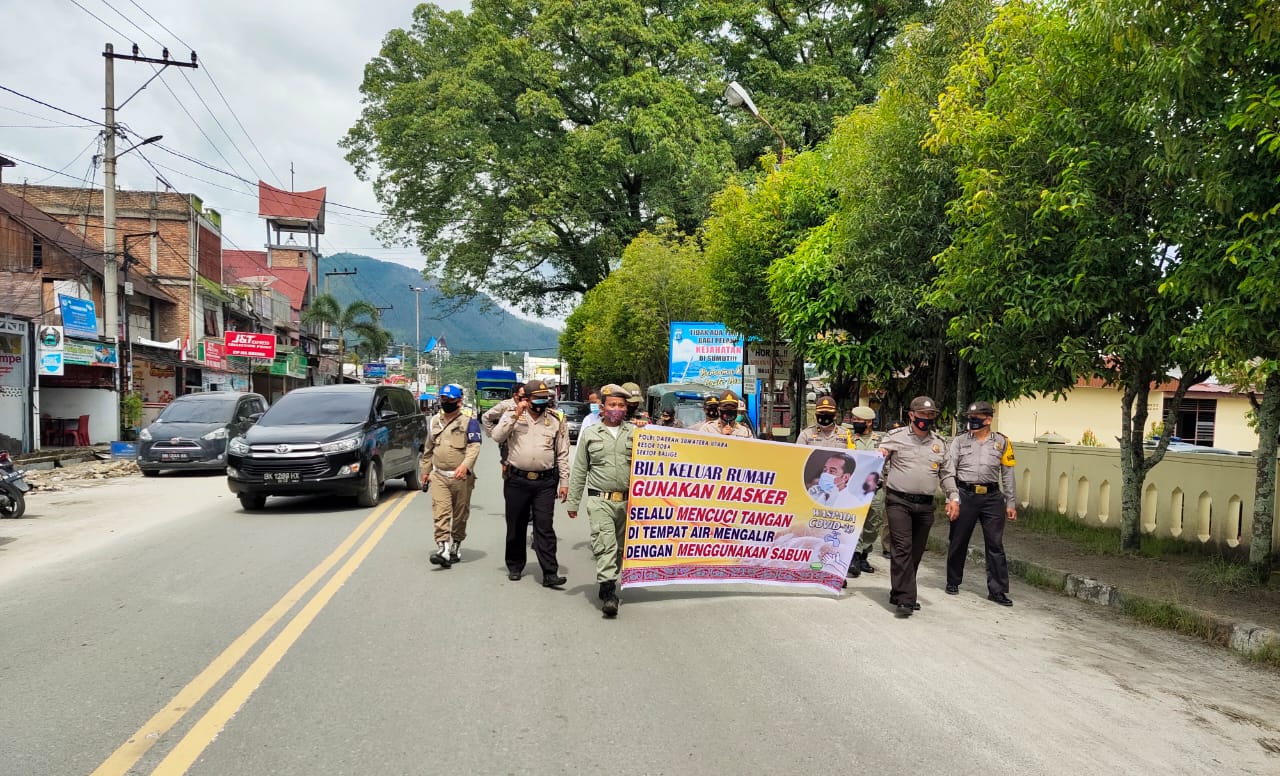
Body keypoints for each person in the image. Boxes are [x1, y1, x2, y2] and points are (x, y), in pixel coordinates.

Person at [878, 395, 956, 617]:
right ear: (911, 415)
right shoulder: (895, 437)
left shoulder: (939, 443)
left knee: (915, 551)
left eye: (931, 414)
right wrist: (878, 465)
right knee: (902, 547)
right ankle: (906, 599)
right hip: (898, 501)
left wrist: (953, 497)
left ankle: (898, 591)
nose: (927, 418)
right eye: (922, 414)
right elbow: (877, 461)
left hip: (925, 505)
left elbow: (947, 474)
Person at [491, 379, 571, 587]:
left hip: (545, 482)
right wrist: (515, 415)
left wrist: (564, 481)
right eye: (537, 398)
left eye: (545, 398)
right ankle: (515, 566)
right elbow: (497, 436)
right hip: (517, 480)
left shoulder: (555, 419)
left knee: (545, 526)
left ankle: (550, 572)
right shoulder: (512, 415)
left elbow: (562, 453)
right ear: (526, 399)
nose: (542, 402)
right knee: (516, 525)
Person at [566, 384, 635, 618]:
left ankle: (609, 580)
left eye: (621, 405)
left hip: (627, 502)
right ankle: (608, 591)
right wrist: (573, 502)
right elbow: (580, 470)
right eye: (612, 405)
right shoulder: (590, 434)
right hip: (600, 500)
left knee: (620, 548)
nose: (617, 409)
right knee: (606, 544)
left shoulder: (635, 433)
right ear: (602, 408)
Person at [945, 400, 1018, 606]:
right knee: (958, 540)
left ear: (988, 420)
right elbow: (949, 471)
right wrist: (951, 499)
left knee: (995, 544)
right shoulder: (960, 441)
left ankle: (997, 590)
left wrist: (1010, 502)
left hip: (992, 498)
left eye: (976, 418)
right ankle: (953, 581)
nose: (972, 421)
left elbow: (1008, 473)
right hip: (965, 494)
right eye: (970, 417)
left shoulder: (1002, 442)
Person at [421, 384, 482, 568]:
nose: (446, 402)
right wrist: (425, 472)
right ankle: (443, 548)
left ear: (459, 401)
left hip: (461, 477)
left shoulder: (469, 422)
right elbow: (428, 449)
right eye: (443, 399)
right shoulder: (434, 422)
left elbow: (474, 447)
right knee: (441, 511)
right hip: (439, 475)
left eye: (450, 400)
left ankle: (456, 543)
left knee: (460, 513)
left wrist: (465, 466)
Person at [848, 405, 886, 577]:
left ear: (869, 422)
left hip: (876, 488)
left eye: (859, 420)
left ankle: (864, 553)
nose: (855, 422)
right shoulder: (848, 438)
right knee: (855, 522)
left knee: (873, 523)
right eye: (854, 419)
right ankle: (855, 556)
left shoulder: (881, 441)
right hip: (854, 487)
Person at [483, 381, 526, 475]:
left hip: (522, 441)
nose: (526, 397)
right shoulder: (505, 405)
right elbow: (486, 417)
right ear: (515, 395)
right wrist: (493, 433)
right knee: (507, 468)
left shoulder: (528, 405)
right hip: (507, 442)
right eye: (523, 395)